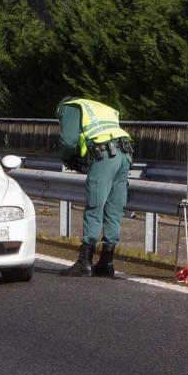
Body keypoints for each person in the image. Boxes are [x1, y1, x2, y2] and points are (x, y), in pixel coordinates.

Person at [56, 96, 133, 277]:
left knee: (94, 205)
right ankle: (107, 262)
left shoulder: (70, 107)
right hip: (124, 154)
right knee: (114, 208)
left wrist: (69, 159)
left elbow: (68, 141)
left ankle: (84, 261)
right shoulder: (101, 107)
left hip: (105, 155)